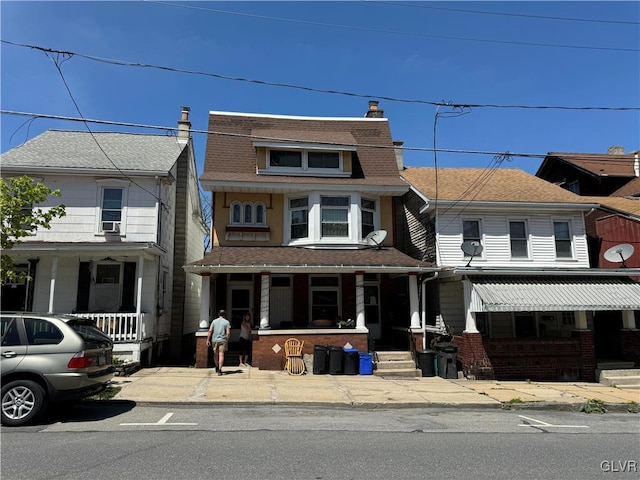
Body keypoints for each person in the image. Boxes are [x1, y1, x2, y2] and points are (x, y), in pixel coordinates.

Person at [206, 309, 231, 376]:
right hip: (223, 340)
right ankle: (220, 369)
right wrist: (227, 339)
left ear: (218, 314)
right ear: (224, 315)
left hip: (214, 340)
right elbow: (228, 333)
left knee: (215, 354)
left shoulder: (214, 321)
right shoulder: (226, 322)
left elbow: (210, 331)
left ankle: (217, 366)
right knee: (221, 355)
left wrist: (208, 340)